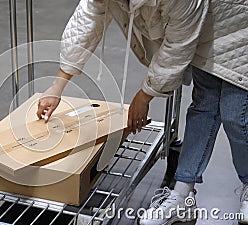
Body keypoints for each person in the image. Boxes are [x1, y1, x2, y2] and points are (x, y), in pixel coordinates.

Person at [36, 0, 248, 224]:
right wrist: (57, 85)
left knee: (236, 113)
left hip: (239, 22)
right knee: (203, 106)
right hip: (206, 23)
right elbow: (87, 21)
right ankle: (182, 196)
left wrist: (145, 95)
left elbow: (177, 46)